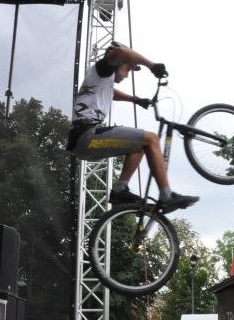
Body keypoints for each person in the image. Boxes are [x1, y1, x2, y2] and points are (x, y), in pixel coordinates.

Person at [66, 41, 198, 212]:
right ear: (118, 63)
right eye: (128, 69)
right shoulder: (103, 68)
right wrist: (152, 66)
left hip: (84, 141)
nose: (128, 75)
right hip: (87, 136)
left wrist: (136, 100)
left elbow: (111, 93)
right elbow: (121, 51)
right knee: (151, 139)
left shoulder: (102, 80)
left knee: (139, 144)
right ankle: (166, 195)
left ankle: (120, 189)